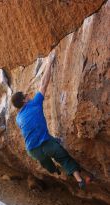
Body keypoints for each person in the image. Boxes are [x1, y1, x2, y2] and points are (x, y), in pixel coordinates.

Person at [12, 50, 87, 189]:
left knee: (46, 161)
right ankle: (79, 180)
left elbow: (33, 129)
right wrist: (50, 61)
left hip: (33, 151)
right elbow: (44, 84)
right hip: (46, 145)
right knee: (63, 157)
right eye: (26, 95)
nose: (28, 95)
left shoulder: (18, 118)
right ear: (24, 101)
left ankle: (54, 171)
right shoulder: (34, 104)